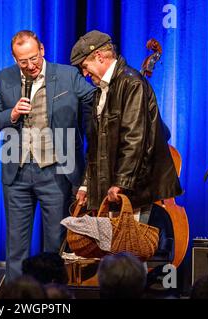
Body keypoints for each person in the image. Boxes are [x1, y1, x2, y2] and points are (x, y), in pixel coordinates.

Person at [0, 30, 96, 282]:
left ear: (42, 50)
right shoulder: (5, 78)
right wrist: (11, 115)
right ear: (15, 59)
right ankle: (16, 296)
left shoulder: (68, 75)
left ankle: (52, 295)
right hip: (17, 173)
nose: (31, 65)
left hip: (55, 171)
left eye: (34, 58)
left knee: (55, 242)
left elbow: (93, 100)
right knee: (16, 245)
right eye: (23, 62)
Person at [70, 30, 182, 222]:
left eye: (85, 66)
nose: (85, 73)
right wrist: (86, 185)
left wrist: (121, 182)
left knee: (127, 249)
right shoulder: (101, 92)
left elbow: (134, 138)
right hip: (110, 190)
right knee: (110, 249)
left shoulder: (132, 83)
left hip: (132, 191)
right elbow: (96, 146)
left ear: (99, 57)